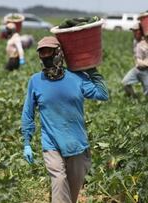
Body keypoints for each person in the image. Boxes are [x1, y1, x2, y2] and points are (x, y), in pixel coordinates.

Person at [21, 36, 109, 203]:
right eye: (42, 54)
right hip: (51, 144)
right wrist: (27, 142)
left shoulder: (77, 77)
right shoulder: (35, 81)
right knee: (59, 180)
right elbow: (28, 112)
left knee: (72, 192)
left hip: (77, 144)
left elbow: (102, 94)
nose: (45, 57)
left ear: (59, 53)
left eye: (49, 52)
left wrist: (91, 69)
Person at [122, 22, 148, 97]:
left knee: (147, 91)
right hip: (137, 69)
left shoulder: (146, 41)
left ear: (141, 31)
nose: (134, 33)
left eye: (136, 31)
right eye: (133, 31)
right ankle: (134, 98)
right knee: (125, 82)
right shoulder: (135, 41)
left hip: (146, 70)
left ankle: (144, 105)